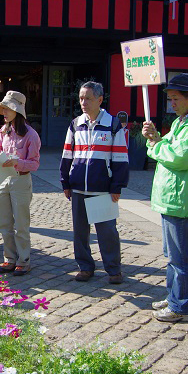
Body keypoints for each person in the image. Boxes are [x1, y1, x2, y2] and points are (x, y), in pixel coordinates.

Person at [142, 73, 188, 323]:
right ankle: (174, 295)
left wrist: (154, 146)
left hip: (182, 200)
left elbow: (180, 158)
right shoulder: (181, 122)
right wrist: (156, 138)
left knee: (181, 258)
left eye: (176, 99)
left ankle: (181, 306)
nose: (172, 104)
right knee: (172, 256)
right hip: (171, 198)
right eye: (170, 99)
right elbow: (169, 148)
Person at [60, 81, 129, 284]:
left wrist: (117, 186)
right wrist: (66, 182)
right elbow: (67, 155)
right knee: (80, 232)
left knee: (107, 232)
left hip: (103, 189)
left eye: (88, 98)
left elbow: (120, 158)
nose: (83, 102)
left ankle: (113, 269)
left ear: (100, 99)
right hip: (78, 186)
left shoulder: (113, 124)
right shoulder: (75, 124)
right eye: (81, 98)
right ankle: (85, 267)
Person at [0, 91, 40, 276]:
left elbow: (34, 163)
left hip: (20, 180)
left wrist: (17, 162)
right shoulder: (3, 131)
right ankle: (9, 258)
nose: (4, 112)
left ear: (18, 111)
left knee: (21, 224)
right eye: (3, 109)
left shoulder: (31, 135)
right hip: (2, 180)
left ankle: (23, 260)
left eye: (7, 109)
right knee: (4, 223)